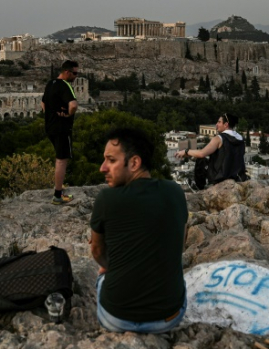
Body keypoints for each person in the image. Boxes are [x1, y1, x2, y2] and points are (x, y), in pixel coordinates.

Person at [89, 127, 188, 333]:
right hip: (169, 318)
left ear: (134, 163)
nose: (102, 168)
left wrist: (111, 266)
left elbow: (97, 252)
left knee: (102, 275)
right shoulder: (176, 191)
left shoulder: (106, 199)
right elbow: (179, 240)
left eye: (111, 160)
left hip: (116, 319)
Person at [41, 60, 79, 205]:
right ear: (67, 72)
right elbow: (74, 105)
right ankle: (58, 195)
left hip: (50, 127)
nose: (76, 76)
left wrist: (51, 114)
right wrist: (68, 114)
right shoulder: (66, 85)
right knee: (62, 160)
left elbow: (43, 102)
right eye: (74, 73)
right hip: (62, 128)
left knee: (59, 157)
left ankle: (59, 190)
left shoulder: (51, 84)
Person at [175, 113, 246, 186]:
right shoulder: (241, 139)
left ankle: (199, 187)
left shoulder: (219, 138)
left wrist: (186, 151)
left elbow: (202, 153)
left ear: (226, 124)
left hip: (220, 178)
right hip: (238, 177)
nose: (216, 124)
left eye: (219, 122)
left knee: (201, 160)